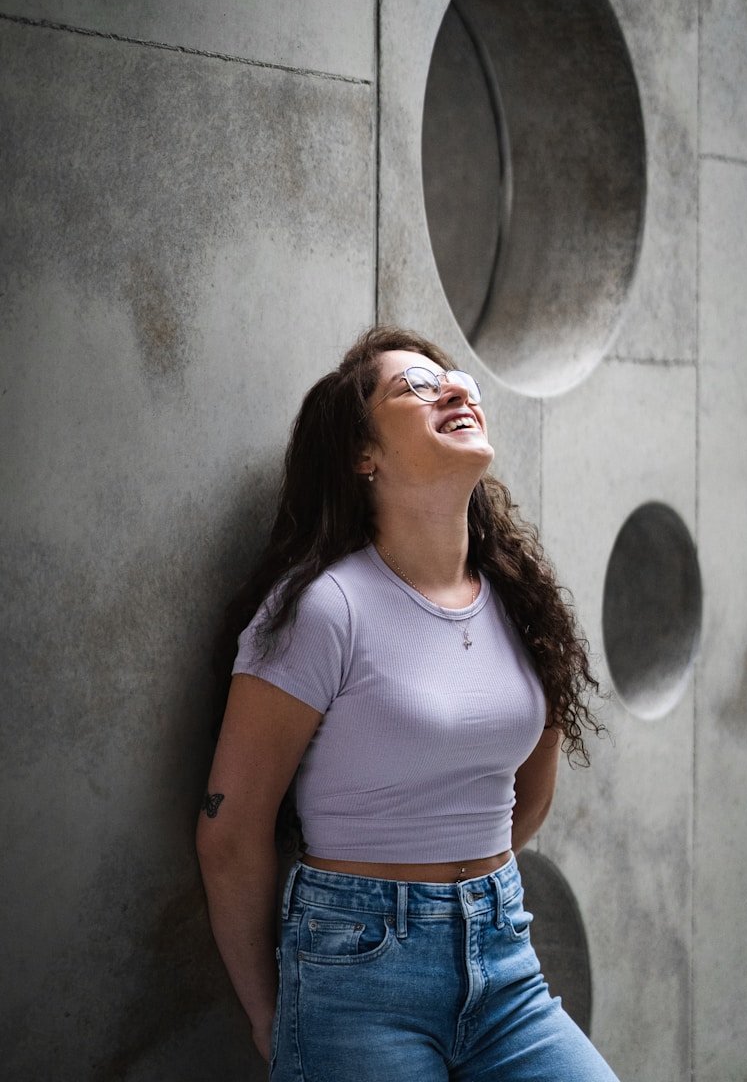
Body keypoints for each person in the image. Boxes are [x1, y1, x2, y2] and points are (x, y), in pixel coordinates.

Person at [197, 326, 618, 1081]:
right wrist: (271, 1019)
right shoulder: (324, 612)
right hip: (356, 976)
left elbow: (528, 790)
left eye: (456, 381)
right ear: (364, 456)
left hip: (505, 963)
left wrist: (463, 890)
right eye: (415, 388)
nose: (455, 390)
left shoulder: (524, 605)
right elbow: (230, 834)